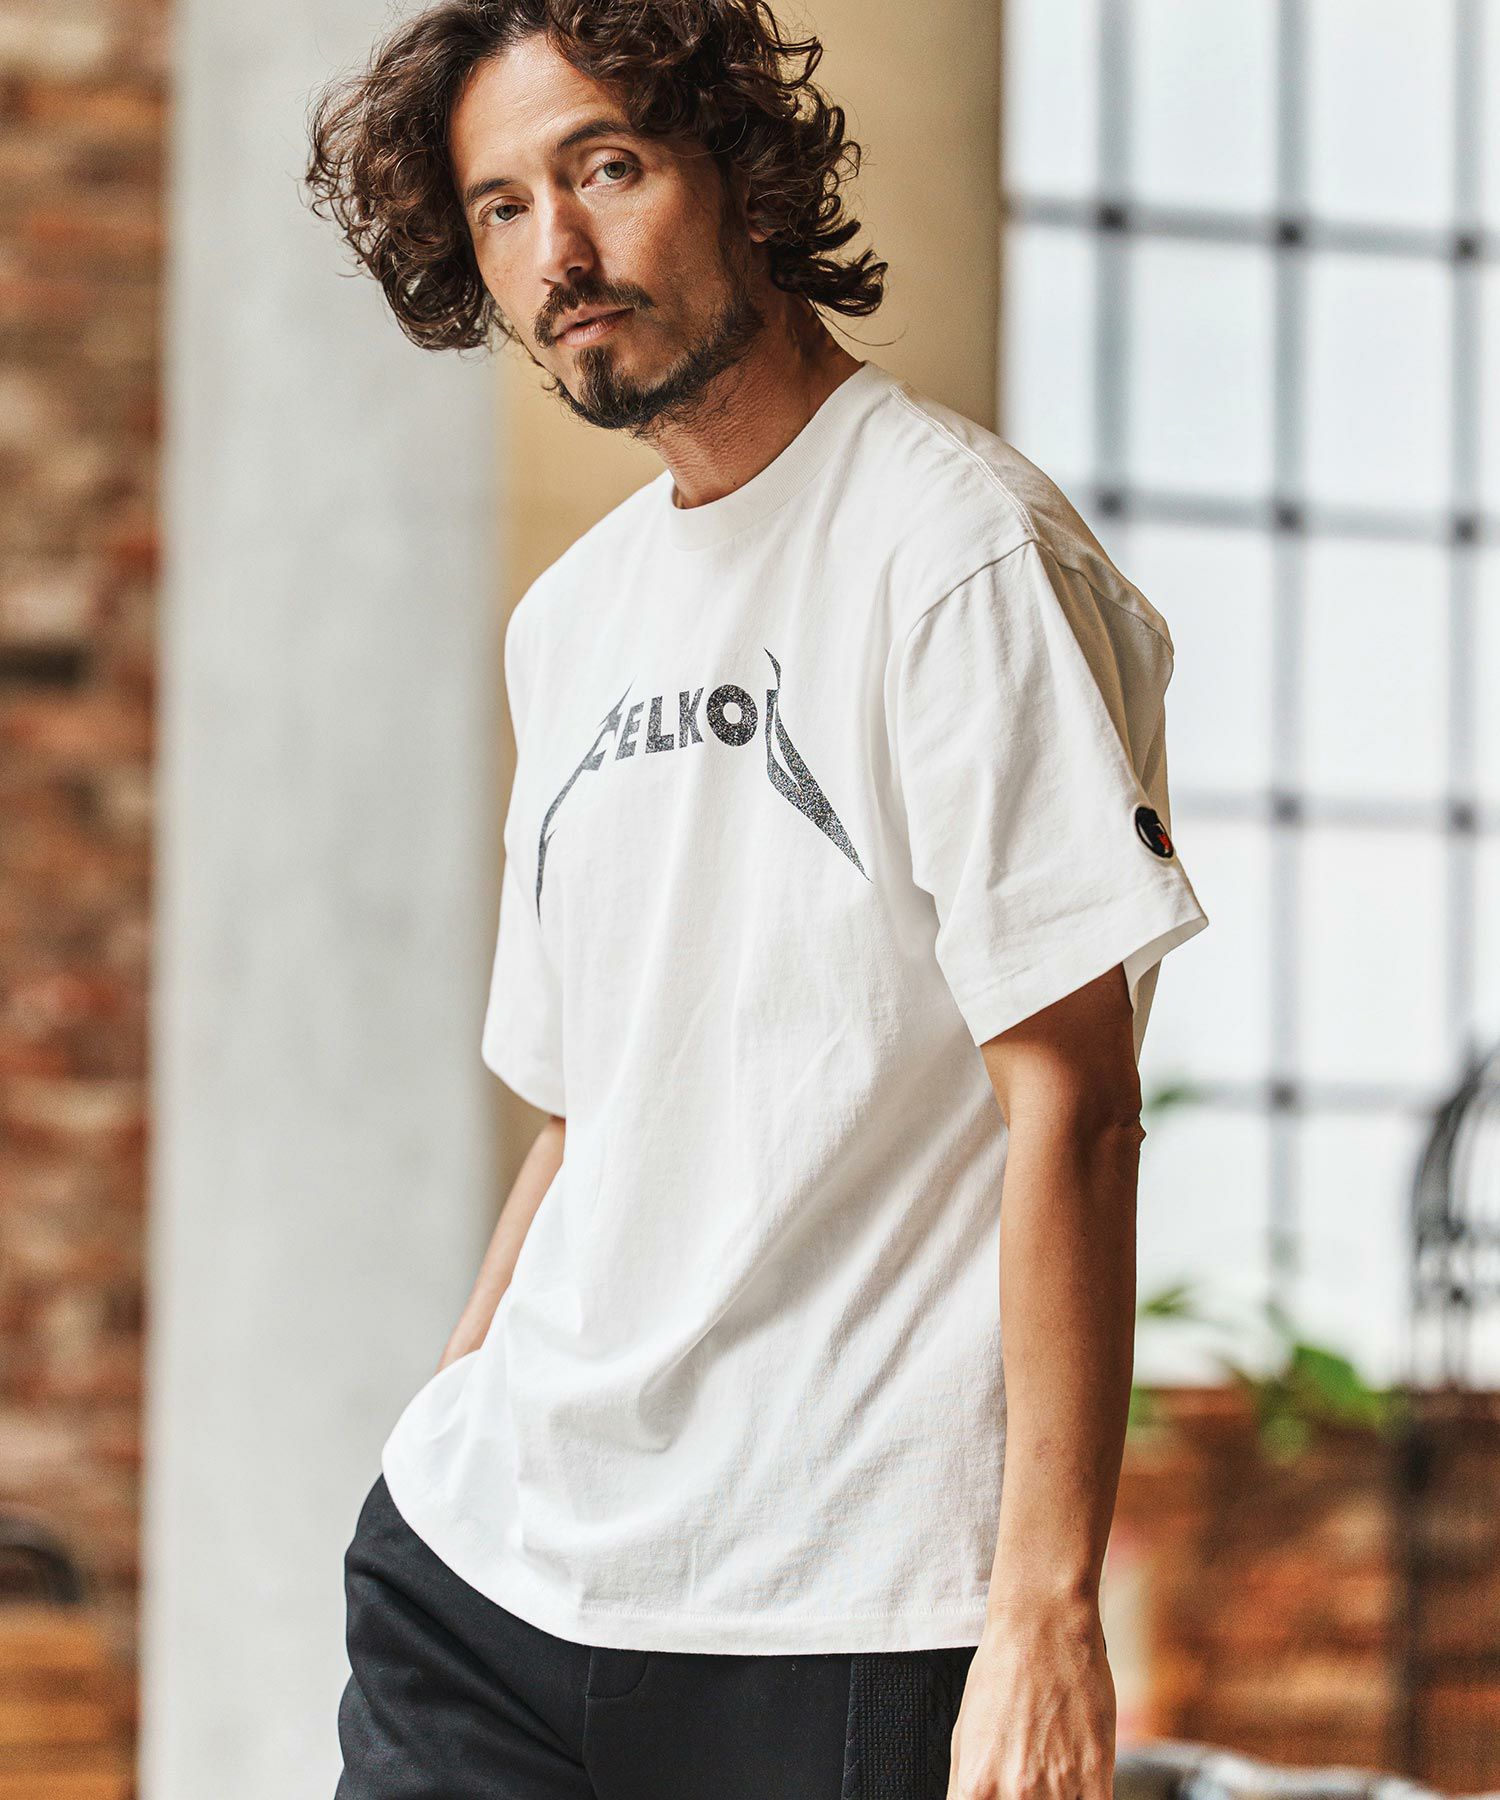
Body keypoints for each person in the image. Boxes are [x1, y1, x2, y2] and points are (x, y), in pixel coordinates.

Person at [303, 2, 1210, 1795]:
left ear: (743, 171)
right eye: (501, 208)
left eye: (606, 168)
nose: (558, 253)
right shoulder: (569, 620)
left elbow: (1078, 1105)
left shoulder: (956, 555)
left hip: (837, 1611)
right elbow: (586, 1114)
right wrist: (456, 1406)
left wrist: (1043, 1609)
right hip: (492, 1581)